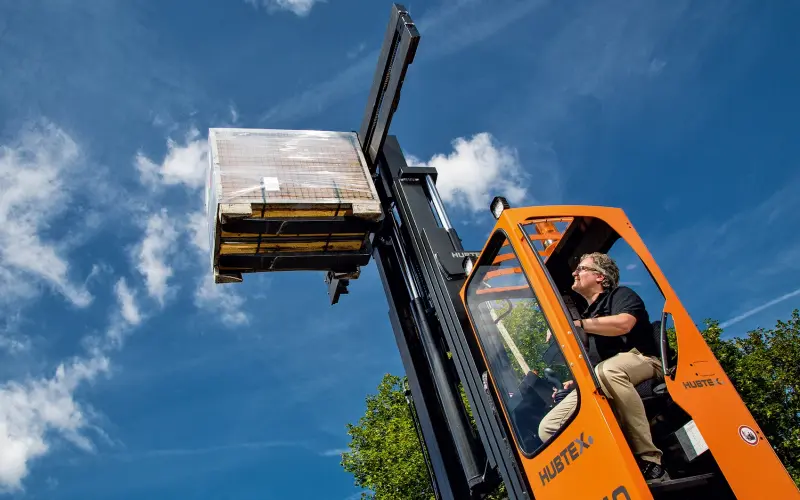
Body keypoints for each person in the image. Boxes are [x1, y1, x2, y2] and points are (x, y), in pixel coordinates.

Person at [537, 252, 669, 483]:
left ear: (600, 276)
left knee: (608, 371)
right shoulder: (587, 315)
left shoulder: (620, 296)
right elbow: (594, 364)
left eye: (581, 269)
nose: (575, 273)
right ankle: (607, 471)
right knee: (548, 427)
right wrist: (574, 383)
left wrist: (576, 325)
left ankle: (649, 459)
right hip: (603, 373)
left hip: (645, 361)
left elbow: (624, 324)